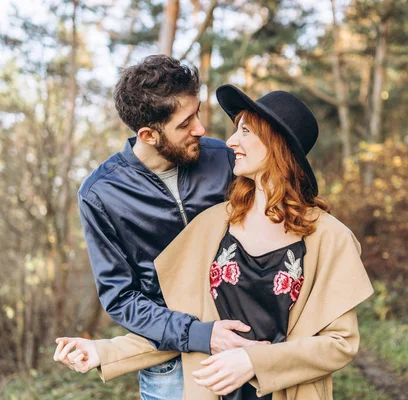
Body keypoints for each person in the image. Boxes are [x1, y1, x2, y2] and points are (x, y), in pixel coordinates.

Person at [55, 85, 373, 400]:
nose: (230, 141)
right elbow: (188, 321)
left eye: (245, 131)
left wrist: (253, 361)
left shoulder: (330, 237)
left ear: (277, 144)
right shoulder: (211, 225)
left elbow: (340, 344)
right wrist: (103, 351)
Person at [72, 56, 270, 400]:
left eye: (197, 112)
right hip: (171, 362)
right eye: (185, 123)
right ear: (148, 134)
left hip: (247, 343)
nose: (201, 129)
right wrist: (199, 333)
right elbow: (121, 298)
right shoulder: (101, 194)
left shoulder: (223, 158)